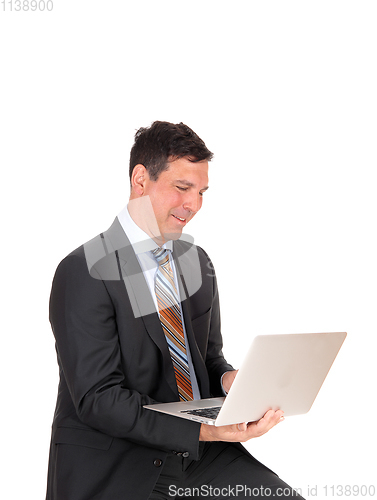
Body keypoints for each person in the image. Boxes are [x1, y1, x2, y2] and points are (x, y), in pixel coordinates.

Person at [46, 121, 305, 499]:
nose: (194, 205)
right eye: (182, 188)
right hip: (120, 461)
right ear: (140, 179)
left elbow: (207, 358)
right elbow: (99, 400)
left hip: (201, 454)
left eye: (201, 192)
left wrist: (230, 381)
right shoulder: (85, 270)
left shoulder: (195, 261)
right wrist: (204, 429)